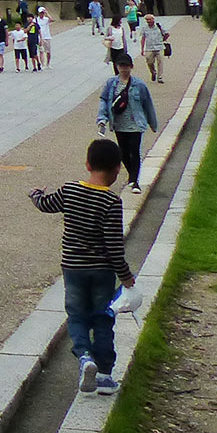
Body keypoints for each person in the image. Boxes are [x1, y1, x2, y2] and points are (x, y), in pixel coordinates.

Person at [29, 137, 138, 396]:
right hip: (101, 271)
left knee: (77, 316)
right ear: (117, 170)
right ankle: (104, 374)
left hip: (73, 269)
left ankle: (84, 357)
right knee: (102, 318)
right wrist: (126, 276)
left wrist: (36, 194)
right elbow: (114, 246)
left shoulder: (70, 190)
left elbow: (46, 205)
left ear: (88, 164)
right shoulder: (111, 202)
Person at [99, 50, 161, 192]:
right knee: (123, 152)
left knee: (134, 150)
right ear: (117, 66)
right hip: (119, 123)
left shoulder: (139, 84)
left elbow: (147, 104)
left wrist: (153, 123)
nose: (124, 69)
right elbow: (104, 100)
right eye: (121, 65)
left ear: (131, 67)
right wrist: (102, 119)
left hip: (135, 124)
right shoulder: (111, 83)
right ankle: (132, 175)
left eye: (126, 66)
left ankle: (134, 181)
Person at [140, 15, 166, 83]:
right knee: (149, 62)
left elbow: (167, 33)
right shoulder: (144, 28)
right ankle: (153, 72)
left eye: (149, 19)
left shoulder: (159, 26)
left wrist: (162, 40)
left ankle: (160, 77)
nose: (148, 21)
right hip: (149, 48)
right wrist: (142, 49)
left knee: (160, 62)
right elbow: (143, 38)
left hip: (159, 47)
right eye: (147, 20)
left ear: (153, 19)